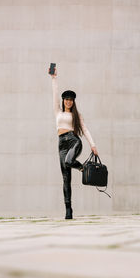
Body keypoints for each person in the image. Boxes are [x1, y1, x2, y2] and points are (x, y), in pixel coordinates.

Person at [48, 66, 98, 220]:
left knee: (69, 161)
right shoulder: (58, 111)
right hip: (61, 143)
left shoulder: (77, 115)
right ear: (63, 100)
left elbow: (85, 130)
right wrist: (54, 78)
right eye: (66, 99)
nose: (68, 101)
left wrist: (93, 145)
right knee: (65, 179)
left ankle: (82, 167)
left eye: (71, 100)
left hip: (74, 141)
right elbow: (55, 94)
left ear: (73, 102)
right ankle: (68, 210)